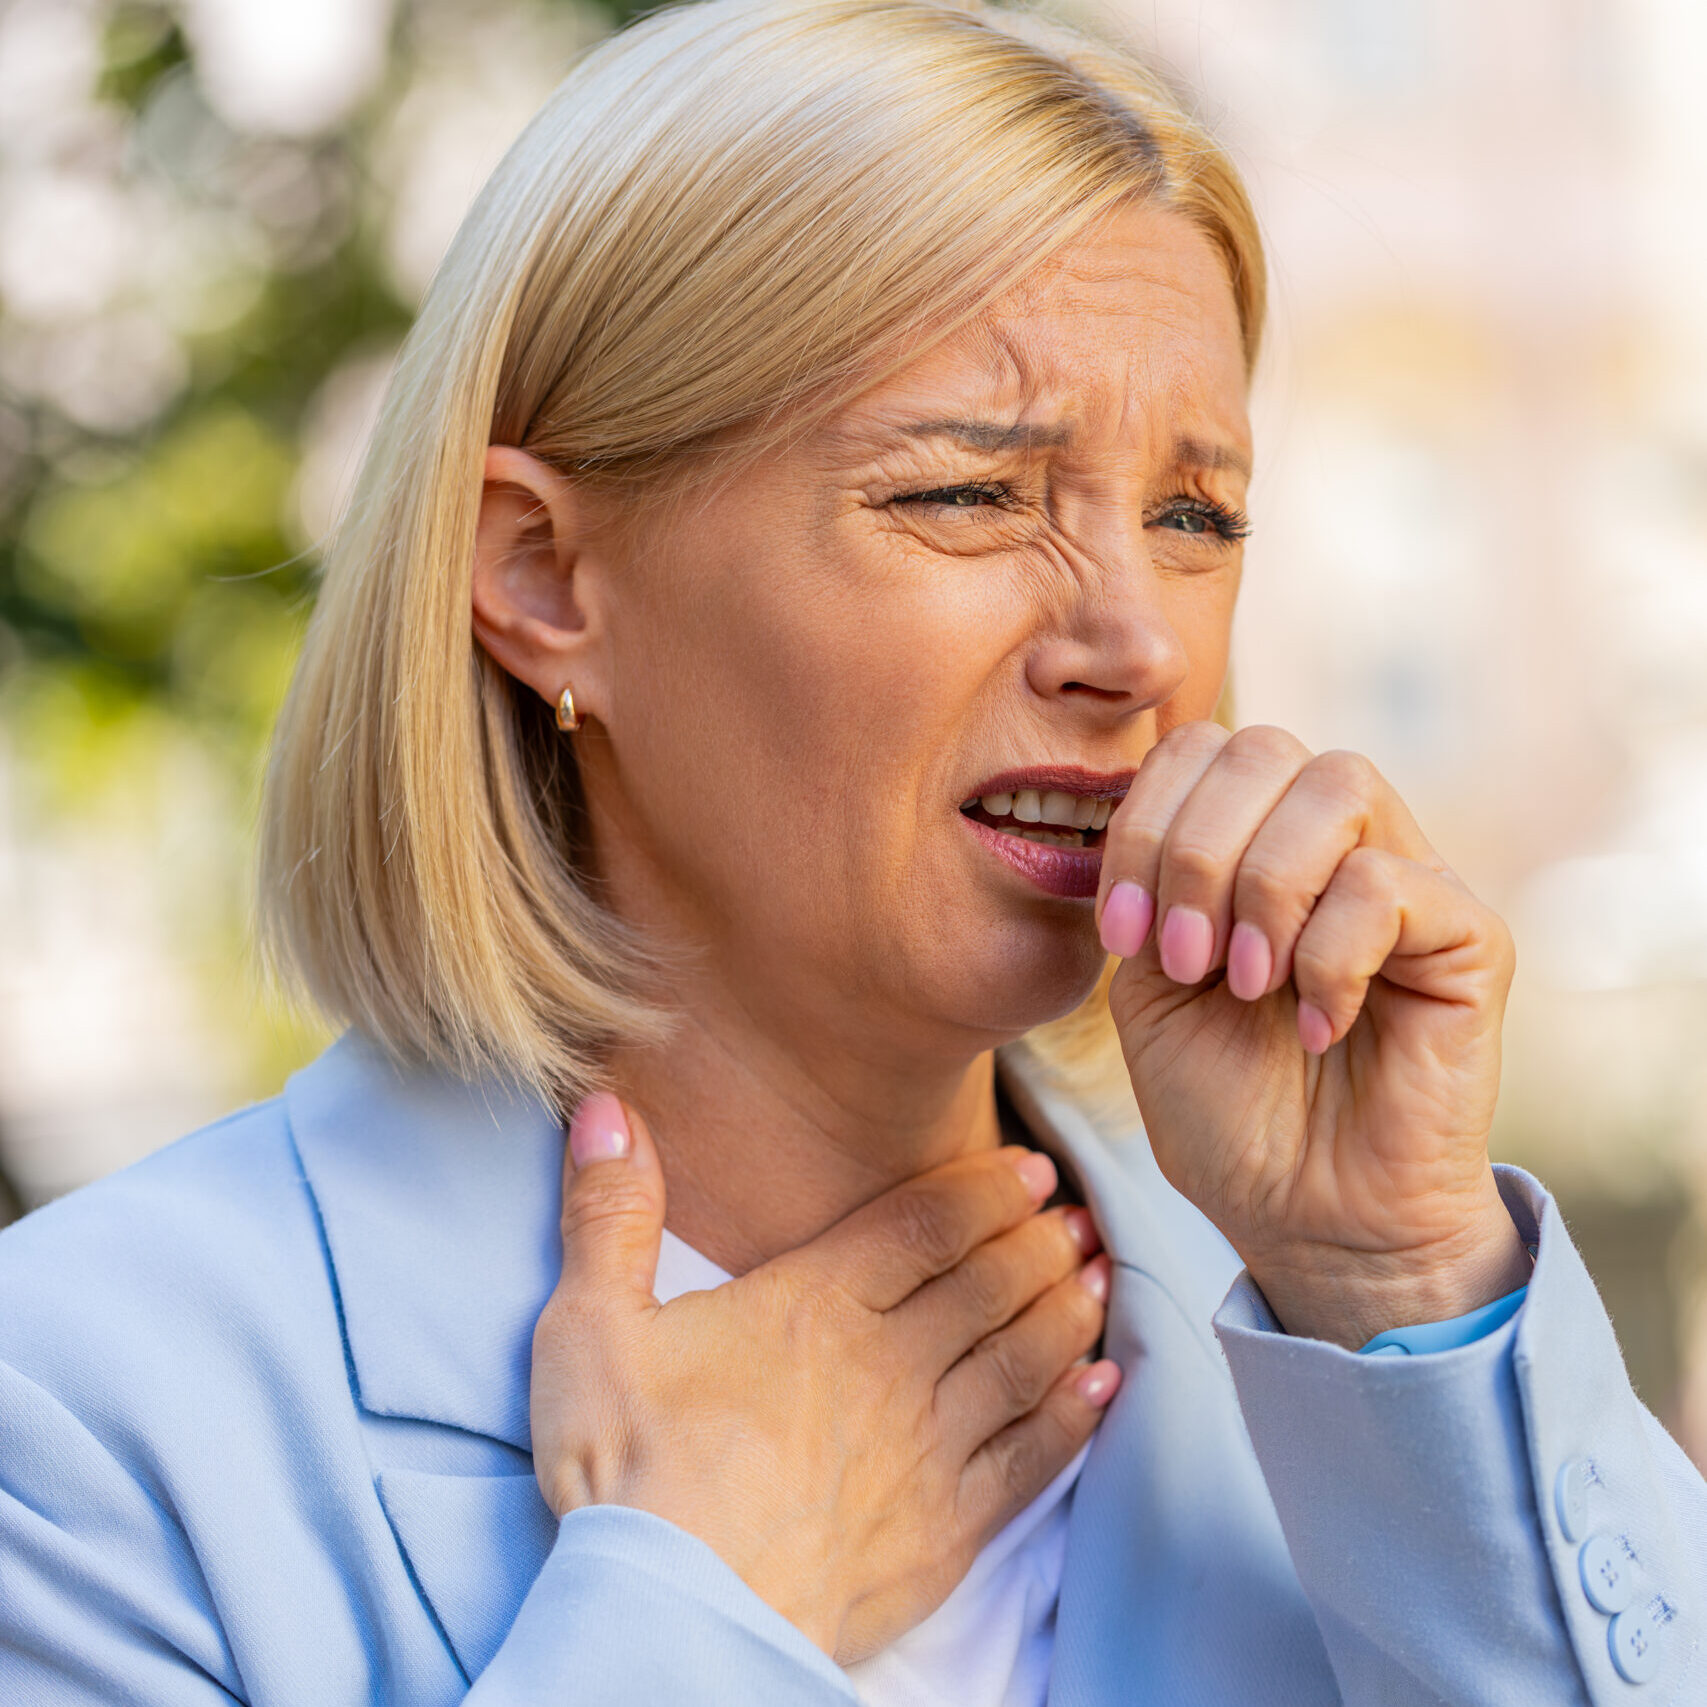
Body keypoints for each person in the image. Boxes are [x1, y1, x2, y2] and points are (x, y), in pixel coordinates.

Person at [2, 1, 1702, 1702]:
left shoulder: (1364, 1360)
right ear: (542, 579)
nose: (1136, 643)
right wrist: (696, 1609)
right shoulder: (84, 1416)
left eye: (1194, 517)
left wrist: (1399, 1287)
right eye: (966, 496)